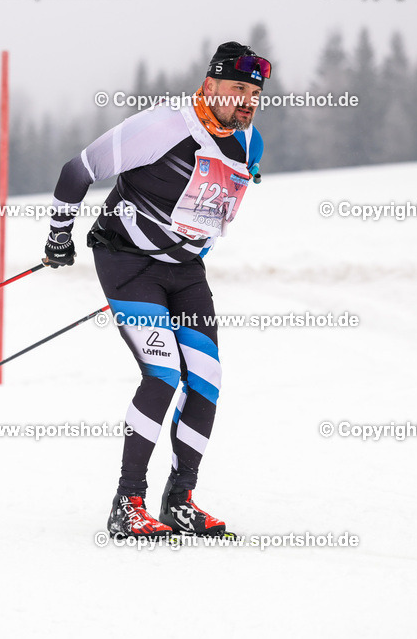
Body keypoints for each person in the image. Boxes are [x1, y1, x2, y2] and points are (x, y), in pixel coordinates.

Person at [43, 41, 270, 538]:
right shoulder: (163, 126)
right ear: (209, 85)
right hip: (126, 261)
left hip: (184, 272)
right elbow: (76, 170)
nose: (247, 100)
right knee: (162, 374)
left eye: (254, 92)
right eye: (237, 88)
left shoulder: (249, 143)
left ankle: (179, 501)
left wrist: (186, 251)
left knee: (206, 380)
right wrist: (59, 236)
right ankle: (127, 504)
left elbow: (213, 218)